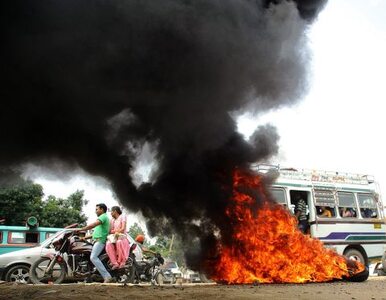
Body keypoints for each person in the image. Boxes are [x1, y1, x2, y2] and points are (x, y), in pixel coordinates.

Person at [76, 203, 112, 283]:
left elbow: (93, 224)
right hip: (96, 240)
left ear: (102, 209)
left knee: (93, 257)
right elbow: (94, 234)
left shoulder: (103, 217)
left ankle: (107, 276)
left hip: (100, 241)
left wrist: (83, 229)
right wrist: (84, 238)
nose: (95, 211)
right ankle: (88, 277)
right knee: (88, 256)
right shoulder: (101, 219)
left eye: (97, 209)